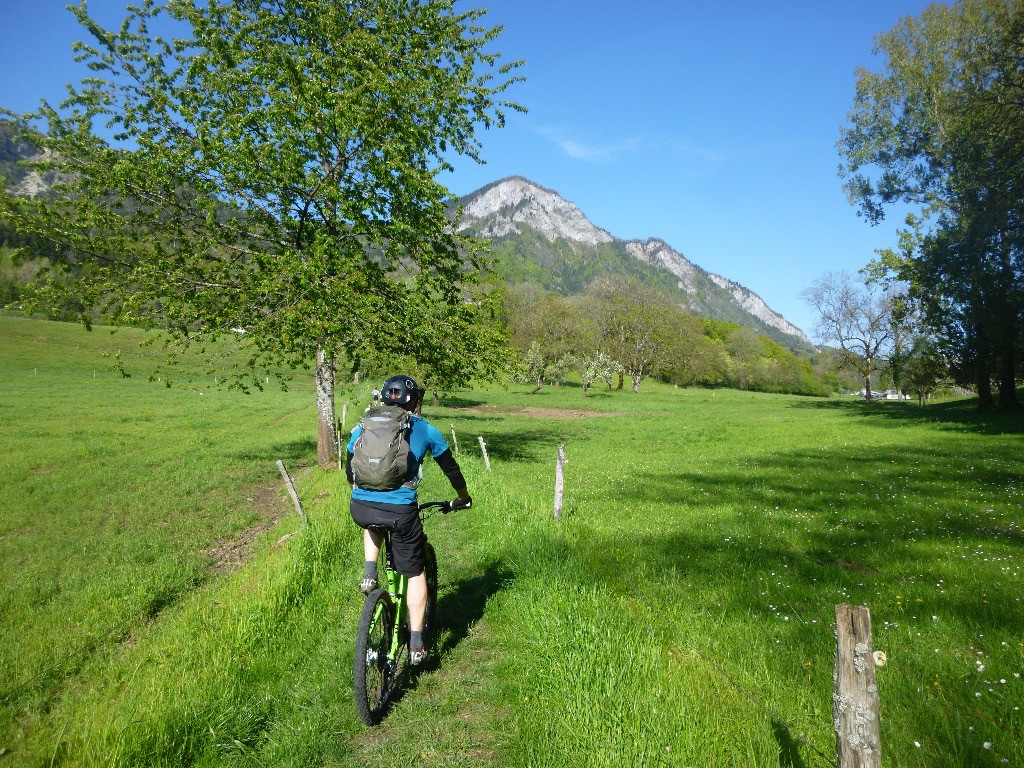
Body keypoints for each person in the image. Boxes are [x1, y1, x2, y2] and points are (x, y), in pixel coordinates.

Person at [346, 375, 472, 665]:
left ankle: (369, 573)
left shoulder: (364, 424)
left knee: (371, 522)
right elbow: (451, 469)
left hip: (361, 505)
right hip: (402, 513)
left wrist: (362, 490)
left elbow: (351, 461)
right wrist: (462, 497)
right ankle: (416, 644)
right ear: (414, 401)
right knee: (415, 574)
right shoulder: (425, 429)